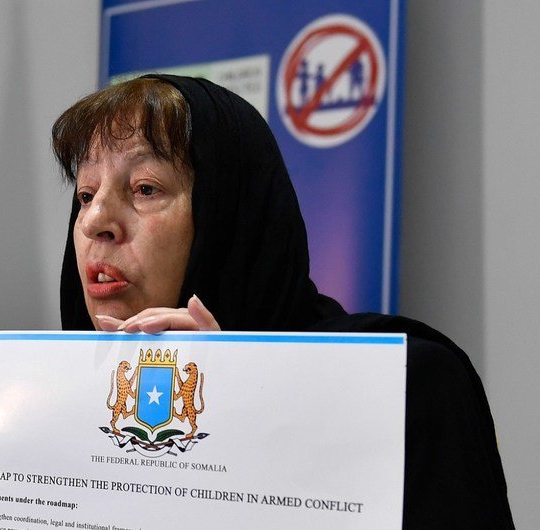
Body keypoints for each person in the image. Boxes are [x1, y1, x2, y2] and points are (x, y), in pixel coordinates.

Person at [52, 75, 513, 528]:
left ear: (231, 215)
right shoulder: (56, 407)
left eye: (145, 188)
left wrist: (248, 405)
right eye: (86, 194)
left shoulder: (406, 388)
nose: (95, 221)